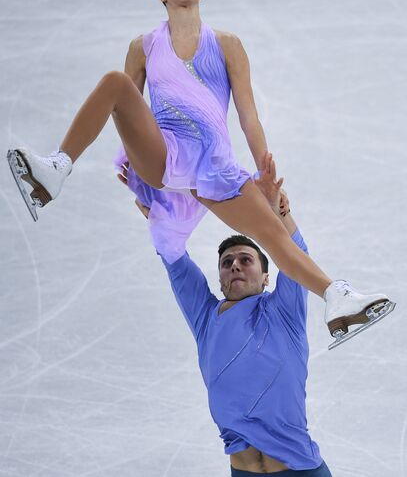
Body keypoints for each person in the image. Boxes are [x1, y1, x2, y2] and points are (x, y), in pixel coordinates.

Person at [7, 0, 394, 348]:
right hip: (167, 153)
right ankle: (57, 168)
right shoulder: (143, 47)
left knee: (274, 236)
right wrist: (142, 182)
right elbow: (128, 112)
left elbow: (247, 113)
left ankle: (336, 297)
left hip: (214, 164)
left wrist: (263, 169)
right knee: (115, 84)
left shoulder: (227, 44)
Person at [119, 152, 333, 476]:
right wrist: (160, 221)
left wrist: (279, 212)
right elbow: (175, 260)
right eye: (227, 262)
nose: (234, 264)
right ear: (220, 279)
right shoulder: (206, 319)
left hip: (301, 471)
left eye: (246, 260)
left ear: (266, 277)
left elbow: (296, 253)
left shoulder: (283, 310)